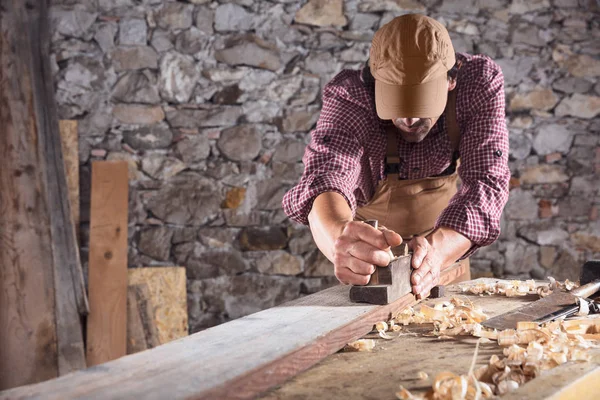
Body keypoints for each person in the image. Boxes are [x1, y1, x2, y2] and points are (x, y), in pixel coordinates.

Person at [282, 14, 510, 299]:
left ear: (451, 81)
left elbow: (487, 181)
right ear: (376, 82)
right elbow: (326, 174)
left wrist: (436, 253)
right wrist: (339, 237)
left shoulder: (477, 84)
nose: (410, 119)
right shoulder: (351, 95)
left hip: (446, 253)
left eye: (423, 103)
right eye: (396, 102)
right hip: (371, 264)